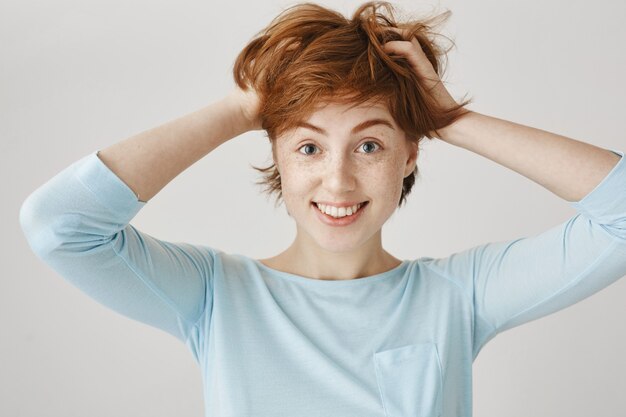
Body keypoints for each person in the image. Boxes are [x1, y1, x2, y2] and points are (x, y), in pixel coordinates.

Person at [19, 1, 626, 416]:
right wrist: (242, 109)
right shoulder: (215, 295)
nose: (337, 180)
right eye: (308, 145)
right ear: (277, 156)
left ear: (408, 156)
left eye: (369, 144)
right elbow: (59, 226)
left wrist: (453, 120)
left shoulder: (456, 295)